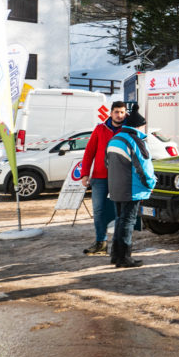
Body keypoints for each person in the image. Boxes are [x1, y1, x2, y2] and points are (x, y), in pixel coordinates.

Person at [105, 109, 156, 268]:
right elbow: (143, 167)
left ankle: (115, 255)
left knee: (120, 220)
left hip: (115, 188)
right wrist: (151, 184)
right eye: (143, 127)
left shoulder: (115, 139)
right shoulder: (135, 141)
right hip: (131, 189)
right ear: (139, 126)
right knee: (127, 222)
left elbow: (107, 163)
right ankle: (124, 258)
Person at [79, 100, 126, 255]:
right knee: (99, 210)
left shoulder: (128, 131)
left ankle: (119, 244)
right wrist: (85, 173)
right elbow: (89, 152)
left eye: (122, 112)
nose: (119, 115)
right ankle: (101, 243)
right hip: (99, 177)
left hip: (120, 178)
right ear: (111, 113)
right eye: (116, 112)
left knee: (118, 212)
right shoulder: (100, 129)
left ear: (125, 113)